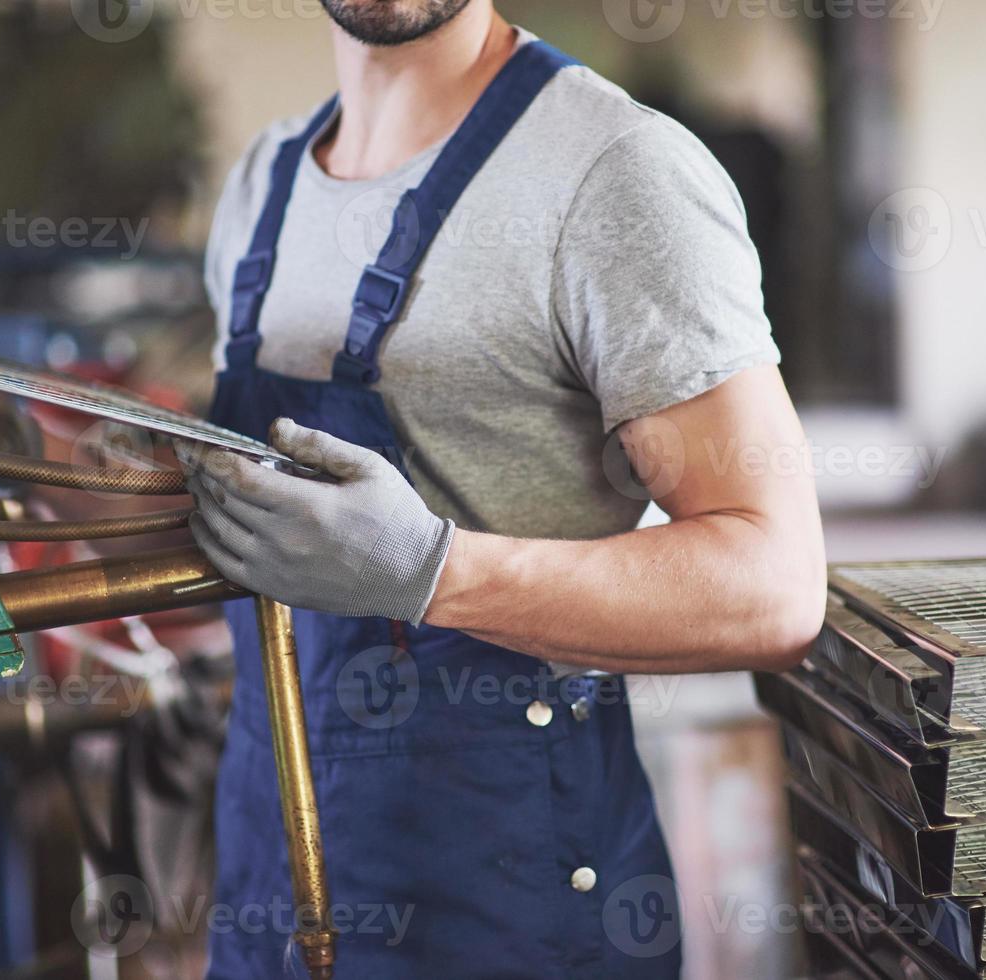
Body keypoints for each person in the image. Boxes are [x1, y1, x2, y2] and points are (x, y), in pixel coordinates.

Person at [183, 1, 826, 976]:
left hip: (504, 912)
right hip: (275, 898)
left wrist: (427, 570)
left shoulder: (616, 171)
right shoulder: (259, 185)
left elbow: (773, 584)